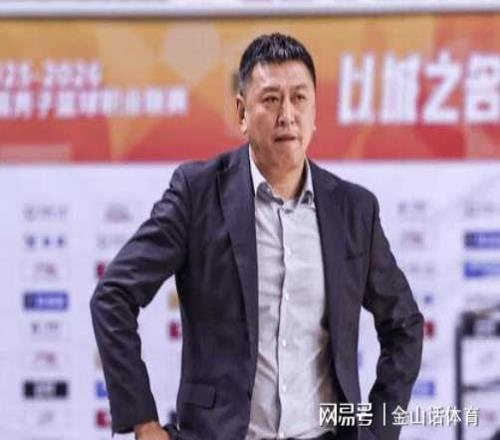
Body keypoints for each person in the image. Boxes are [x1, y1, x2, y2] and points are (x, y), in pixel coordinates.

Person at [90, 33, 424, 440]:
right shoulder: (197, 194)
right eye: (271, 99)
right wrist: (143, 423)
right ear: (242, 112)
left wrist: (378, 432)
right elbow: (113, 295)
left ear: (315, 113)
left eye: (299, 98)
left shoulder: (354, 210)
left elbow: (404, 324)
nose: (287, 115)